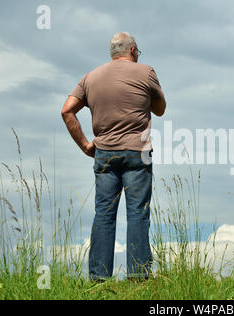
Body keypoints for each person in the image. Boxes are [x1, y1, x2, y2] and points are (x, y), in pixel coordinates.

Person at [61, 32, 166, 281]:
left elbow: (67, 111)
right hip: (137, 153)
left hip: (104, 154)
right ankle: (138, 278)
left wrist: (86, 145)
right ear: (133, 51)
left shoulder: (90, 77)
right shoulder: (146, 71)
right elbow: (160, 110)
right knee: (138, 213)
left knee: (104, 214)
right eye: (138, 51)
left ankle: (99, 280)